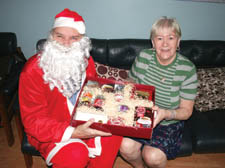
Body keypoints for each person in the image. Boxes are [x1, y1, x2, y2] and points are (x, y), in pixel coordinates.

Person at [19, 8, 122, 168]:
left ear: (82, 40)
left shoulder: (86, 61)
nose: (66, 44)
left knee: (114, 132)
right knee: (75, 153)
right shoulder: (32, 70)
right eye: (60, 36)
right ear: (52, 36)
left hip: (83, 119)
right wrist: (73, 132)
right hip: (51, 130)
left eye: (74, 38)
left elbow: (93, 93)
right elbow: (33, 121)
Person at [120, 16, 198, 168]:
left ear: (178, 41)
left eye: (171, 37)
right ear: (153, 42)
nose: (165, 44)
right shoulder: (143, 57)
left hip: (168, 122)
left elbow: (187, 111)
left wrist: (165, 113)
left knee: (152, 156)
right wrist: (123, 87)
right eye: (160, 38)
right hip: (140, 114)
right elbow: (132, 81)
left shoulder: (188, 69)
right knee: (125, 146)